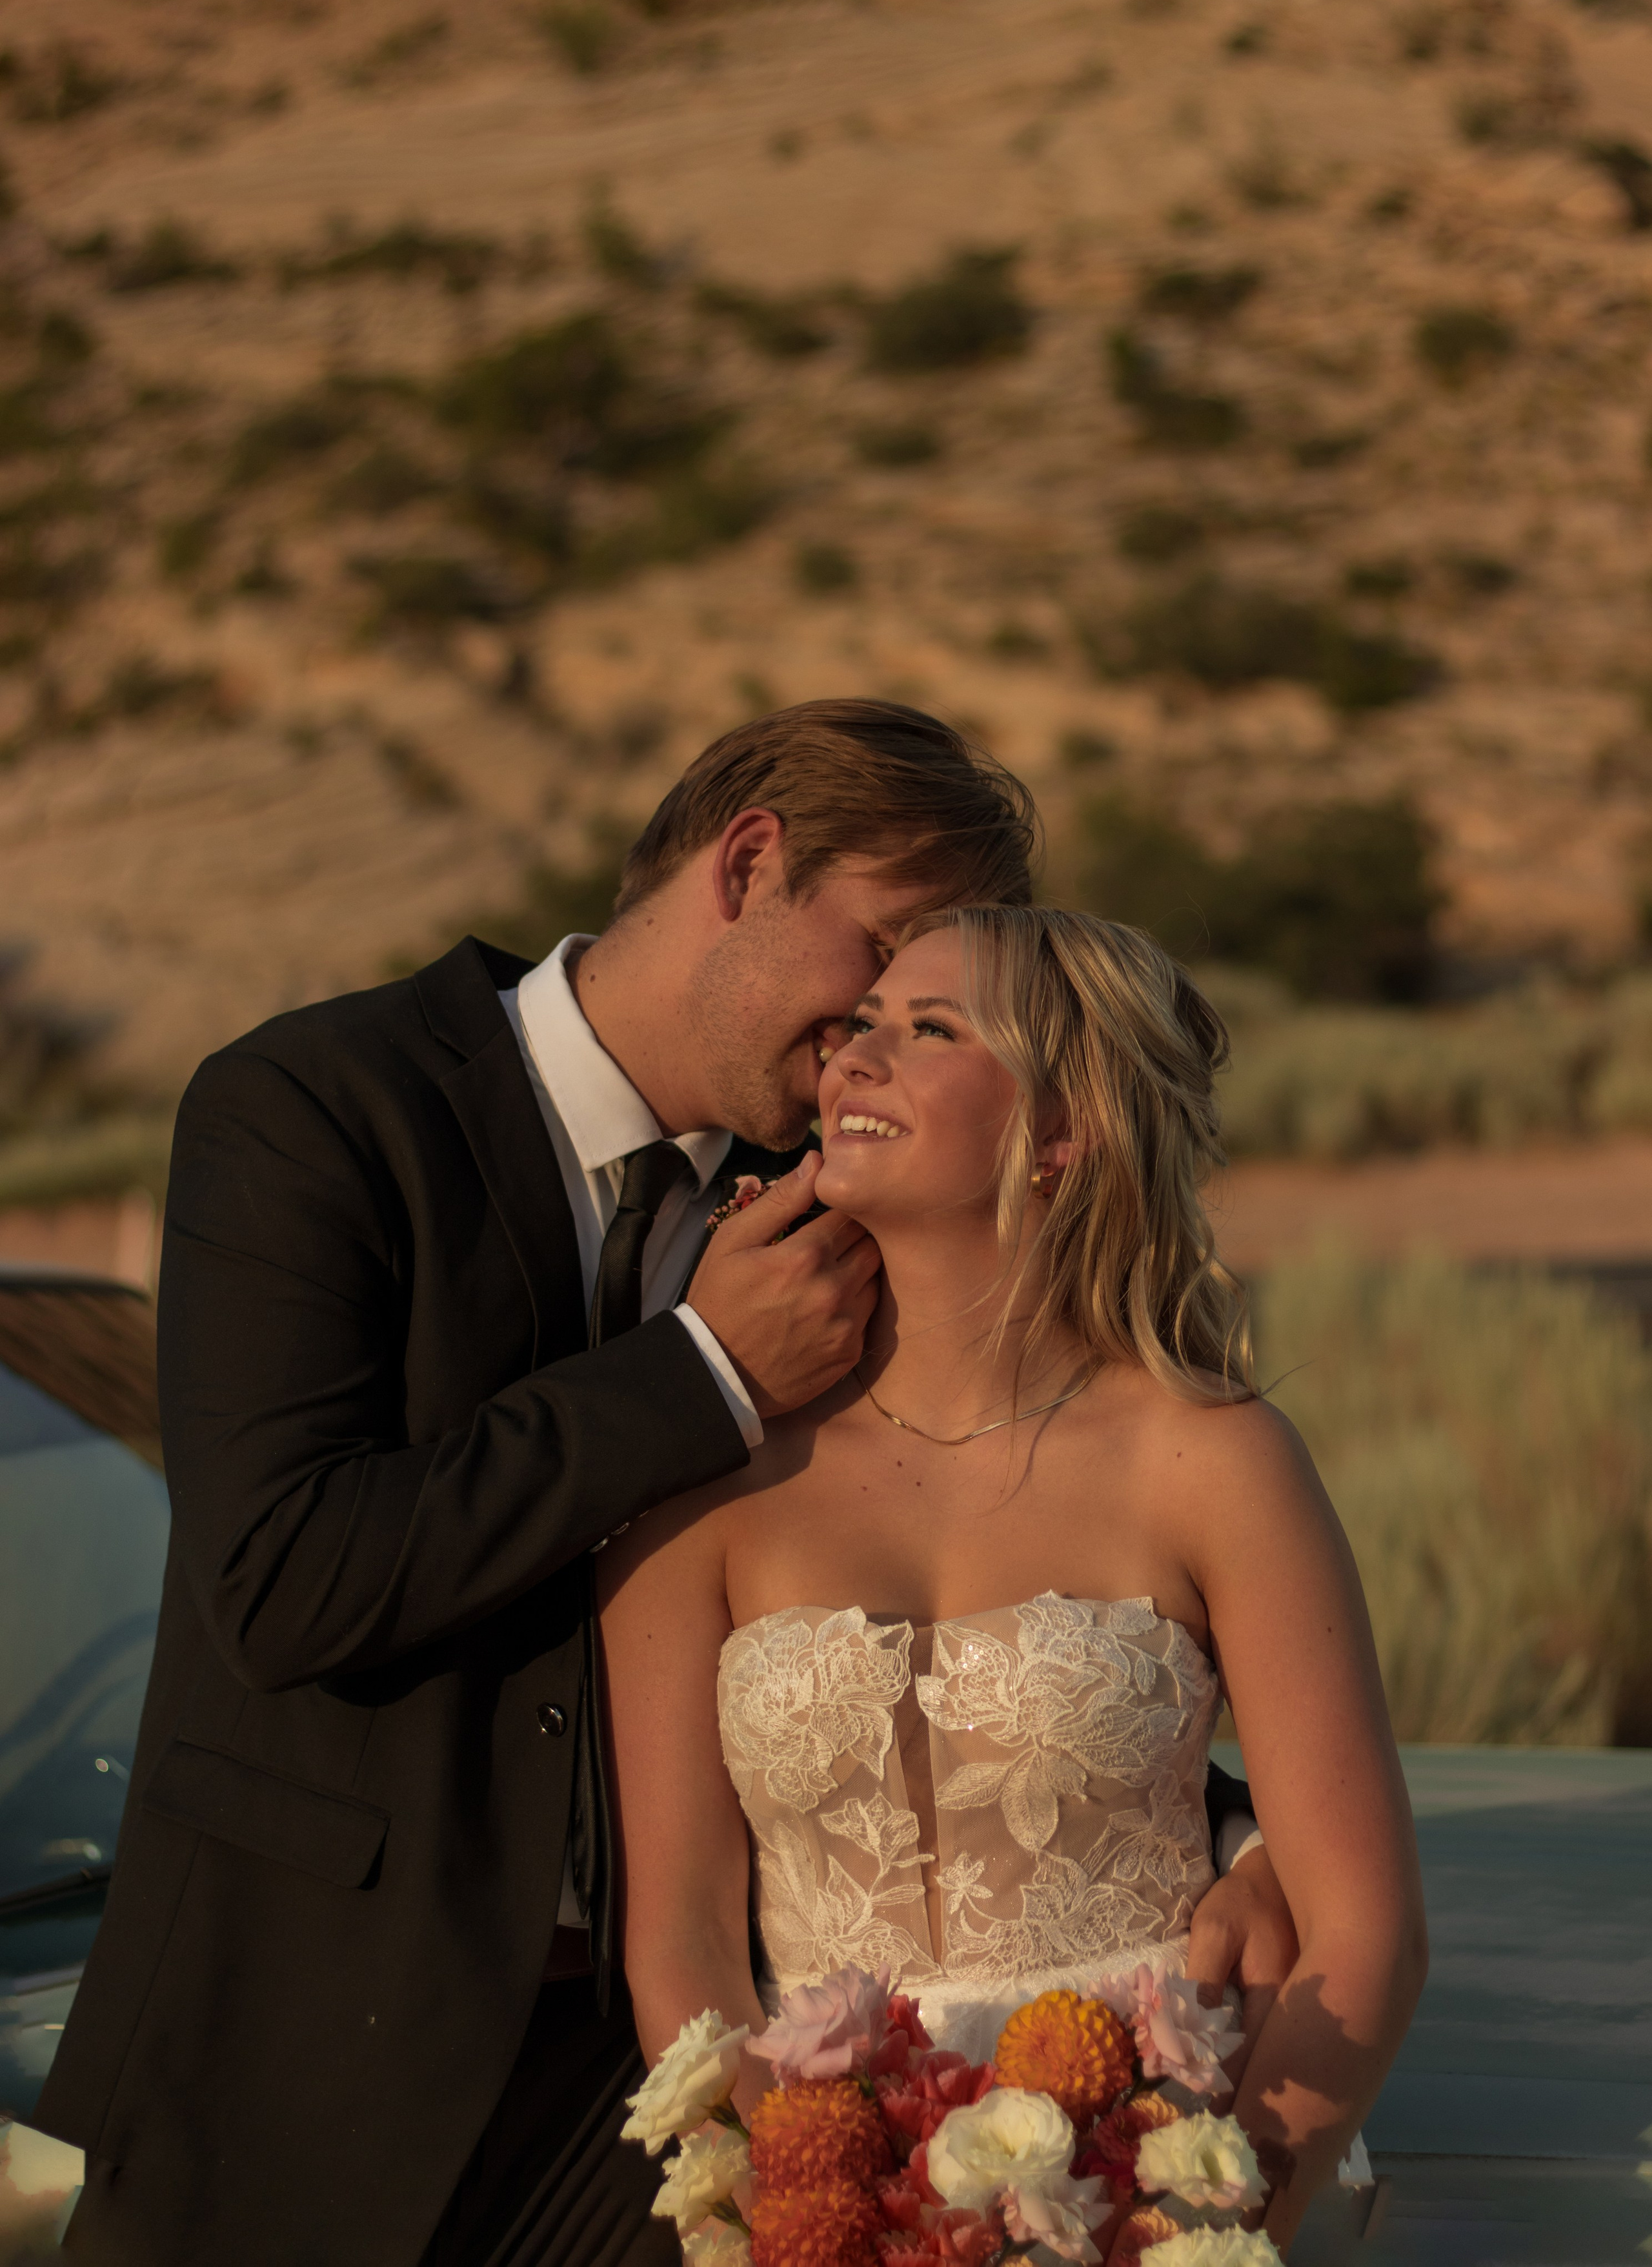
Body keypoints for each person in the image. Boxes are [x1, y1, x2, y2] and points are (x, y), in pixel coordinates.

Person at [35, 702, 1292, 2267]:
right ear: (748, 863)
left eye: (920, 1004)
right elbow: (283, 1577)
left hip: (660, 2101)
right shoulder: (314, 1109)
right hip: (296, 2074)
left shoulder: (828, 1189)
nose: (865, 1039)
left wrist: (1226, 1832)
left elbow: (957, 1563)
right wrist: (697, 1372)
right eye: (876, 951)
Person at [600, 906, 1428, 2254]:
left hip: (1170, 2169)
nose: (858, 1054)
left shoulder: (1211, 1461)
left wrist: (1204, 2218)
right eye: (861, 1023)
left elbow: (1362, 1924)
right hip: (821, 2205)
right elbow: (683, 1942)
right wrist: (808, 2216)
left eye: (928, 1030)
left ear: (1058, 1132)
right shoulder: (701, 1475)